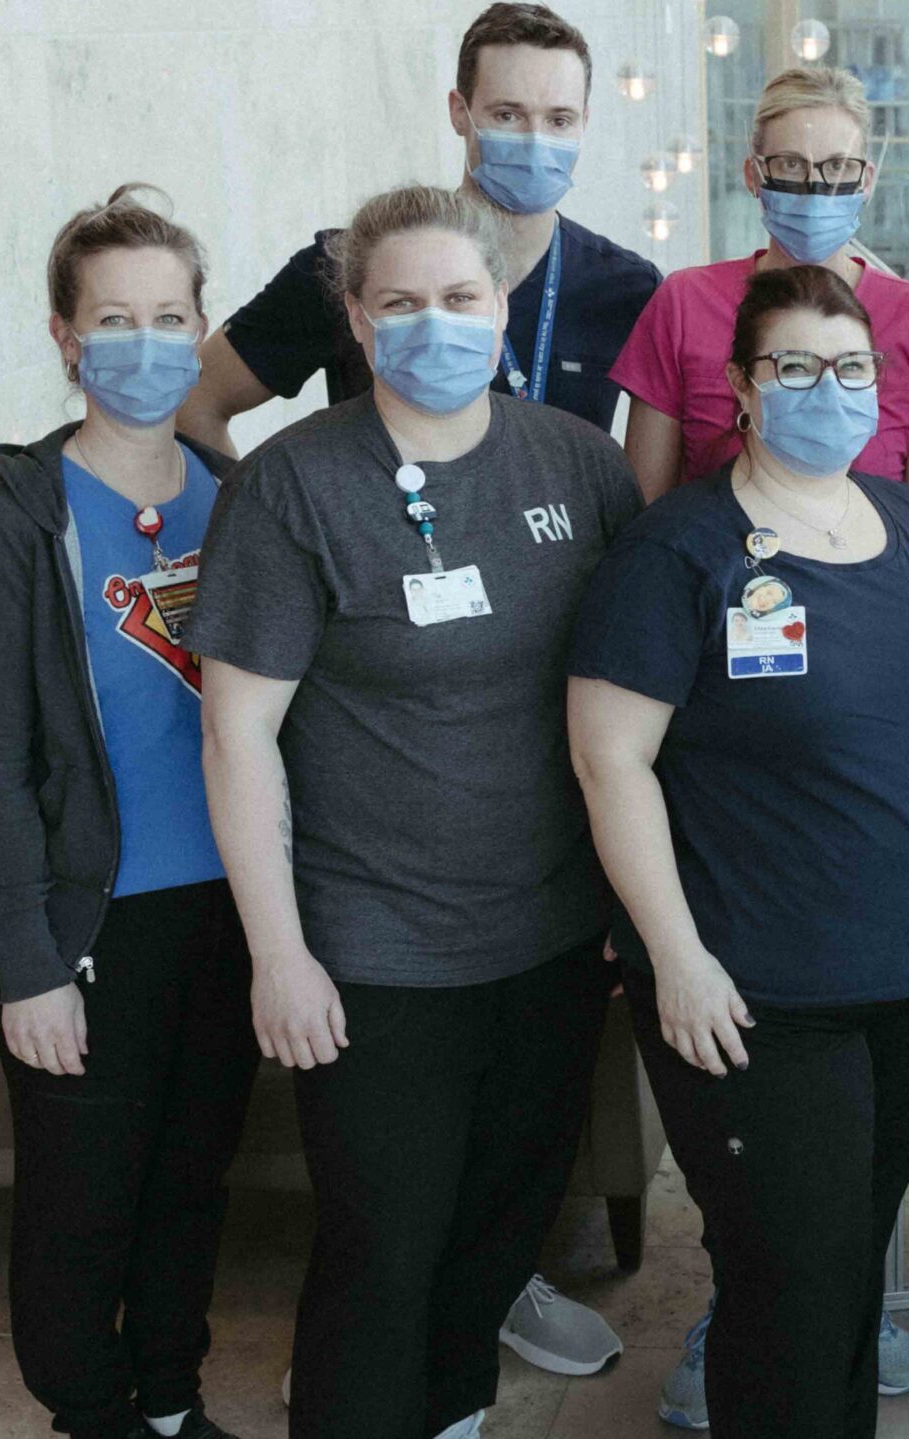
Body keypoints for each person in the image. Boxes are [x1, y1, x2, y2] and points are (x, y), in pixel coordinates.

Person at [186, 184, 641, 1439]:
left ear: (501, 307)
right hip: (373, 950)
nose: (433, 324)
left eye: (459, 298)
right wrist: (278, 950)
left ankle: (453, 1416)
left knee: (500, 1226)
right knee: (383, 1246)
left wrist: (629, 904)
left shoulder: (578, 462)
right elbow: (237, 735)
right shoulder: (292, 487)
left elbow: (628, 711)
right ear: (354, 318)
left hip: (550, 935)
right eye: (400, 303)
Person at [565, 263, 909, 1439]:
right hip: (759, 991)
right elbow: (609, 760)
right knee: (786, 1283)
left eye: (854, 367)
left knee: (847, 1264)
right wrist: (671, 954)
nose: (831, 389)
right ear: (739, 387)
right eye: (796, 366)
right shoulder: (680, 553)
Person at [0, 186, 253, 1439]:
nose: (143, 343)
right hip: (86, 926)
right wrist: (27, 965)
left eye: (168, 316)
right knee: (83, 1204)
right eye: (112, 318)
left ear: (199, 327)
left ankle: (170, 1399)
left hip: (227, 911)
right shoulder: (12, 536)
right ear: (66, 338)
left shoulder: (246, 504)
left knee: (191, 1184)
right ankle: (94, 1412)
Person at [178, 3, 660, 460]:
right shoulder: (347, 264)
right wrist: (263, 530)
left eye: (559, 119)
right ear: (459, 112)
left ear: (584, 124)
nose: (536, 141)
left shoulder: (628, 289)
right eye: (507, 115)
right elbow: (195, 401)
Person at [610, 66, 909, 515]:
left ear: (866, 181)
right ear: (753, 176)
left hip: (876, 580)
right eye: (790, 164)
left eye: (838, 166)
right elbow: (643, 513)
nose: (815, 187)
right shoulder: (685, 302)